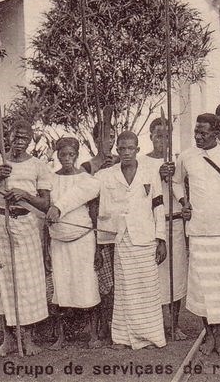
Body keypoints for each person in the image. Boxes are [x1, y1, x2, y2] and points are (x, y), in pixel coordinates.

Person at [0, 121, 53, 357]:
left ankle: (28, 339)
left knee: (28, 283)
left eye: (24, 138)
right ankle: (8, 340)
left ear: (30, 140)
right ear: (8, 137)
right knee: (5, 282)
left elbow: (45, 203)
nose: (19, 142)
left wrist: (24, 195)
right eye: (16, 137)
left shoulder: (38, 166)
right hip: (1, 224)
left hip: (27, 224)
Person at [172, 113, 220, 356]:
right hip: (198, 232)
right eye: (196, 133)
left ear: (216, 133)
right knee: (201, 288)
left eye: (204, 133)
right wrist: (184, 202)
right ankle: (209, 336)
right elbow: (176, 182)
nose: (198, 137)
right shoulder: (187, 156)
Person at [95, 131, 168, 350]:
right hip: (121, 239)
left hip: (146, 238)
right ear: (117, 150)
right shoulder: (106, 175)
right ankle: (123, 338)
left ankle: (152, 335)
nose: (126, 153)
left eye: (130, 148)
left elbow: (158, 206)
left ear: (137, 149)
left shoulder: (150, 172)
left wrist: (161, 239)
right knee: (126, 289)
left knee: (148, 288)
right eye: (122, 148)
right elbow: (84, 192)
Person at [45, 137, 102, 350]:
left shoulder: (88, 180)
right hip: (58, 241)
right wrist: (47, 250)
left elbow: (92, 212)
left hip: (83, 241)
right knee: (61, 289)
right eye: (63, 154)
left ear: (77, 155)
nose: (67, 158)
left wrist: (97, 248)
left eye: (71, 154)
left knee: (88, 286)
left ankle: (94, 335)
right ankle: (61, 338)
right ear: (57, 155)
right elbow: (45, 216)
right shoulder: (50, 180)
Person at [139, 117, 189, 341]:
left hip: (176, 222)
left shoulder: (178, 161)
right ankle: (157, 323)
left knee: (176, 274)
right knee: (156, 275)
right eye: (158, 135)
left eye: (167, 135)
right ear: (150, 136)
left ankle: (175, 325)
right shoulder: (142, 162)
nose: (162, 140)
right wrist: (159, 176)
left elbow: (185, 189)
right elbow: (140, 196)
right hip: (154, 224)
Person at [81, 121, 119, 341]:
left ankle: (117, 324)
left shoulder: (119, 160)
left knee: (118, 278)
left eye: (112, 136)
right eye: (105, 137)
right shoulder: (88, 166)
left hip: (117, 226)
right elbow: (89, 197)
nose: (110, 141)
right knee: (101, 279)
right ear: (95, 139)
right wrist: (101, 172)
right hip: (96, 226)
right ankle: (102, 324)